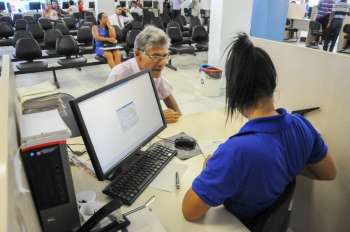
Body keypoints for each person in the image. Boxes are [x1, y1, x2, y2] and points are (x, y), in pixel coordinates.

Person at [182, 33, 336, 227]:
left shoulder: (236, 152)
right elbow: (329, 172)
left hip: (238, 224)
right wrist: (287, 163)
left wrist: (210, 170)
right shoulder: (301, 124)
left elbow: (189, 211)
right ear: (272, 83)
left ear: (235, 92)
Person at [106, 26, 181, 124]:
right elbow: (113, 117)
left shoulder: (153, 70)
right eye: (155, 56)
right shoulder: (119, 75)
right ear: (137, 55)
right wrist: (157, 117)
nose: (162, 63)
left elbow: (167, 94)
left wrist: (181, 120)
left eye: (165, 56)